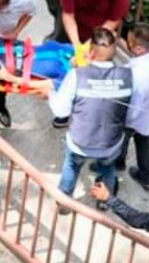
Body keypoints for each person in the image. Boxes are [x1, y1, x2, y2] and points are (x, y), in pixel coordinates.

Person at [49, 28, 131, 207]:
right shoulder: (128, 76)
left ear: (91, 52)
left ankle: (63, 203)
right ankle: (104, 202)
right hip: (111, 143)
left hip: (80, 142)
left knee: (72, 166)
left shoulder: (77, 75)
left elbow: (60, 111)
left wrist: (50, 92)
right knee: (108, 167)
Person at [115, 24, 149, 190]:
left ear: (139, 49)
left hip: (135, 113)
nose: (127, 44)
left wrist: (123, 121)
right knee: (143, 140)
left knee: (122, 138)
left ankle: (117, 162)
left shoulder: (139, 74)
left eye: (129, 43)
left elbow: (133, 108)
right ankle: (147, 176)